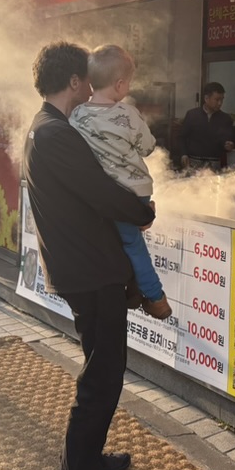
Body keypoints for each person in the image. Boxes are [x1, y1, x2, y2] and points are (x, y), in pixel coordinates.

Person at [23, 41, 156, 470]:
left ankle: (87, 459)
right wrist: (142, 211)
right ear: (75, 81)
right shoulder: (56, 134)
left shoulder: (47, 127)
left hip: (81, 265)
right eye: (87, 78)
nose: (92, 87)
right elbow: (100, 191)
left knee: (101, 366)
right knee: (102, 376)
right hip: (89, 269)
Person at [70, 45, 172, 321]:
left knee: (122, 243)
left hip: (105, 196)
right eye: (128, 82)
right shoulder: (129, 114)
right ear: (119, 84)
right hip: (135, 193)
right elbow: (148, 147)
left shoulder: (77, 115)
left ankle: (138, 291)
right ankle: (156, 298)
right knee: (132, 244)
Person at [179, 81, 235, 168]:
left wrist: (229, 145)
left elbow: (228, 140)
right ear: (206, 98)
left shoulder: (226, 118)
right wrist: (183, 154)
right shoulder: (192, 115)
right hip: (193, 161)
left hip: (214, 163)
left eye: (222, 99)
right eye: (217, 99)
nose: (220, 103)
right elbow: (182, 137)